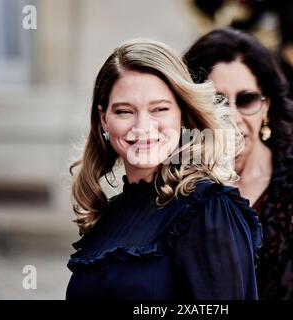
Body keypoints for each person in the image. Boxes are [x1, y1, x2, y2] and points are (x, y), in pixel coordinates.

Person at [66, 38, 262, 300]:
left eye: (159, 109)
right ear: (104, 119)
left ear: (182, 114)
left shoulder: (209, 210)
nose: (143, 126)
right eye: (125, 111)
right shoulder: (104, 217)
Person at [184, 28, 293, 299]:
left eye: (246, 99)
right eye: (216, 101)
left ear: (267, 106)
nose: (232, 118)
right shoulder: (176, 189)